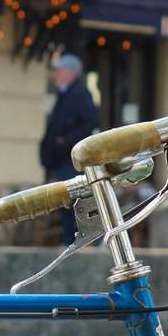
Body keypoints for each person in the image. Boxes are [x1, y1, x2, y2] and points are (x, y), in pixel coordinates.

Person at [37, 53, 99, 242]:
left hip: (70, 160)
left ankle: (79, 239)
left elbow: (89, 123)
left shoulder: (79, 94)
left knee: (74, 200)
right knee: (67, 201)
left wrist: (65, 142)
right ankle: (71, 239)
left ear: (70, 73)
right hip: (61, 159)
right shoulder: (65, 95)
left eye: (59, 71)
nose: (55, 75)